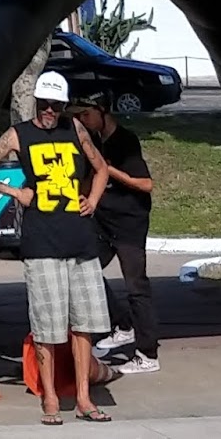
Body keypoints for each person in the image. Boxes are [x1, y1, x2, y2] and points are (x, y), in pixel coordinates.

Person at [0, 70, 116, 426]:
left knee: (84, 325)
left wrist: (93, 200)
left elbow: (101, 168)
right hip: (42, 243)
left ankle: (83, 398)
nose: (50, 110)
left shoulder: (75, 129)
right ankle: (50, 398)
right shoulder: (19, 134)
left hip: (79, 240)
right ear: (36, 102)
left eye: (56, 105)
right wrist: (14, 191)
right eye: (45, 104)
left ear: (64, 105)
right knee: (47, 326)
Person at [72, 90, 159, 374]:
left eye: (86, 114)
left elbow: (145, 184)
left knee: (136, 287)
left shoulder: (125, 141)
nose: (83, 120)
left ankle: (147, 354)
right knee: (84, 269)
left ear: (103, 111)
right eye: (79, 116)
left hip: (129, 222)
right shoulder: (95, 140)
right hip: (104, 222)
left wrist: (109, 171)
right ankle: (123, 324)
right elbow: (90, 177)